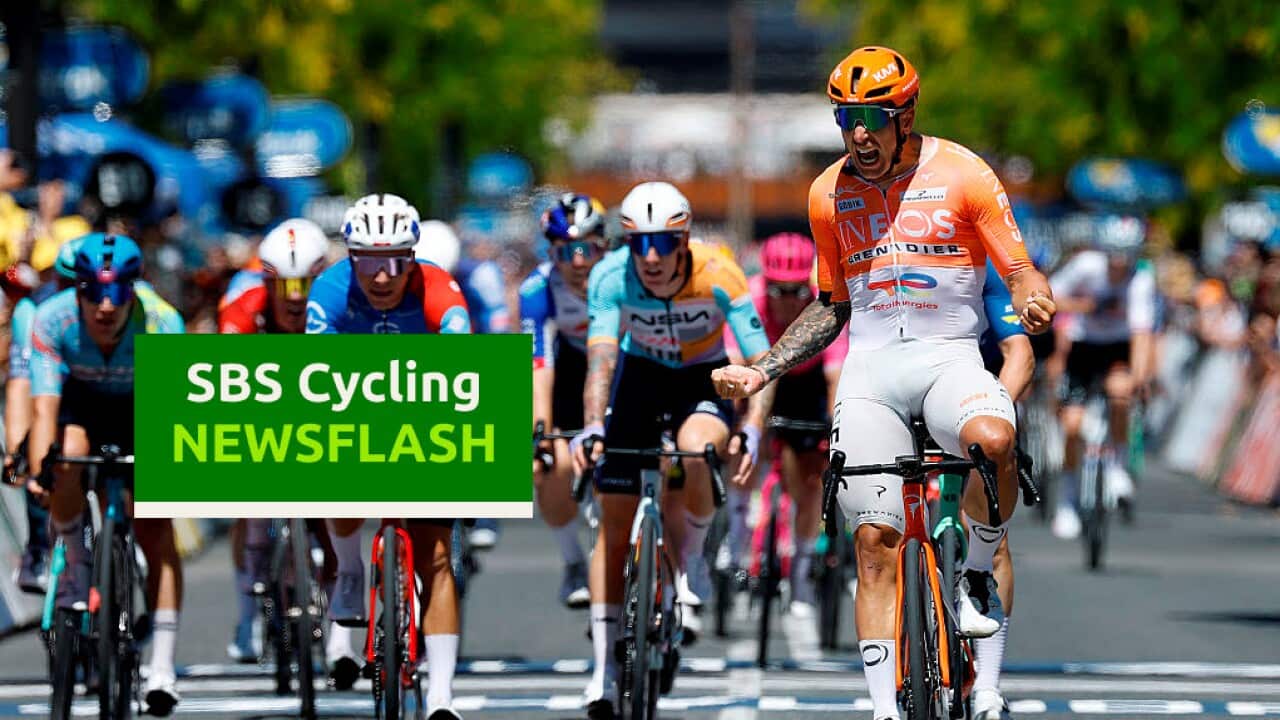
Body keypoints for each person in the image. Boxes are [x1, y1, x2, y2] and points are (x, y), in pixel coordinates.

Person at [710, 45, 1056, 720]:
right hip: (870, 373)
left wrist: (1036, 294)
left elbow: (1017, 272)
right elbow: (831, 305)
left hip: (950, 359)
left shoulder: (964, 172)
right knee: (873, 542)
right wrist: (763, 367)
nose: (860, 132)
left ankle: (978, 572)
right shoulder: (825, 194)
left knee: (993, 438)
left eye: (874, 114)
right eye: (847, 118)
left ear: (907, 113)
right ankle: (882, 709)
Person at [570, 181, 772, 718]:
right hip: (638, 379)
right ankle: (603, 671)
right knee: (613, 528)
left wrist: (751, 429)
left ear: (684, 239)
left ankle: (694, 563)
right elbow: (601, 362)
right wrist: (593, 426)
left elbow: (761, 365)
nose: (652, 257)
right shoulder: (610, 275)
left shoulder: (719, 273)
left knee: (699, 449)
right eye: (639, 244)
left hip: (699, 378)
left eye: (664, 243)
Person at [306, 193, 470, 720]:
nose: (382, 277)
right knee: (337, 475)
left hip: (423, 411)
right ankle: (350, 571)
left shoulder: (437, 286)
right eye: (369, 262)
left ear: (414, 257)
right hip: (352, 407)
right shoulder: (329, 289)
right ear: (351, 258)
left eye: (396, 261)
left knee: (437, 556)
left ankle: (441, 695)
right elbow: (311, 375)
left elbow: (462, 352)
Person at [26, 233, 187, 715]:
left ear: (134, 290)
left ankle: (162, 664)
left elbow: (175, 419)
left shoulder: (162, 323)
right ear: (76, 290)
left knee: (157, 531)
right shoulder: (51, 321)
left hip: (146, 407)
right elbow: (43, 410)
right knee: (67, 454)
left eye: (117, 294)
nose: (104, 307)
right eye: (93, 293)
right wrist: (41, 474)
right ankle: (74, 556)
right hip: (82, 407)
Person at [217, 219, 334, 673]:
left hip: (322, 409)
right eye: (284, 286)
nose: (296, 298)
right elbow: (222, 381)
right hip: (261, 408)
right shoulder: (243, 304)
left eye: (306, 285)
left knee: (333, 514)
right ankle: (247, 615)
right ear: (266, 281)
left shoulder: (340, 303)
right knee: (252, 509)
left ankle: (333, 603)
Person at [725, 233, 848, 616]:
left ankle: (800, 568)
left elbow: (835, 379)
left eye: (796, 290)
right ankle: (737, 531)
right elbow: (735, 362)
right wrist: (745, 421)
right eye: (778, 291)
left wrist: (837, 430)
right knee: (743, 441)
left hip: (808, 381)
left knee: (812, 477)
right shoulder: (751, 298)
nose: (788, 300)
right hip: (759, 374)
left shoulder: (824, 304)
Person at [521, 193, 610, 609]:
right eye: (564, 252)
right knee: (548, 462)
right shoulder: (538, 289)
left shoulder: (626, 278)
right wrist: (541, 428)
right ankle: (574, 561)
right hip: (568, 372)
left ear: (604, 247)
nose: (577, 262)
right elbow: (539, 361)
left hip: (621, 367)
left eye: (587, 249)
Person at [1049, 215, 1155, 539]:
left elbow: (1142, 333)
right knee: (1071, 426)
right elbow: (1049, 297)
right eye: (1114, 254)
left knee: (1121, 394)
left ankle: (1118, 468)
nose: (1120, 263)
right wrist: (1082, 306)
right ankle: (1068, 501)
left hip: (1118, 347)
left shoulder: (1141, 279)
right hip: (1084, 346)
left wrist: (1139, 377)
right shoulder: (1085, 266)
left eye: (1127, 255)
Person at [3, 236, 86, 594]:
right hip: (53, 389)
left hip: (105, 389)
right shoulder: (33, 313)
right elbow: (23, 387)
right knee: (36, 450)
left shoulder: (124, 304)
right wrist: (17, 453)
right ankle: (39, 545)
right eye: (62, 282)